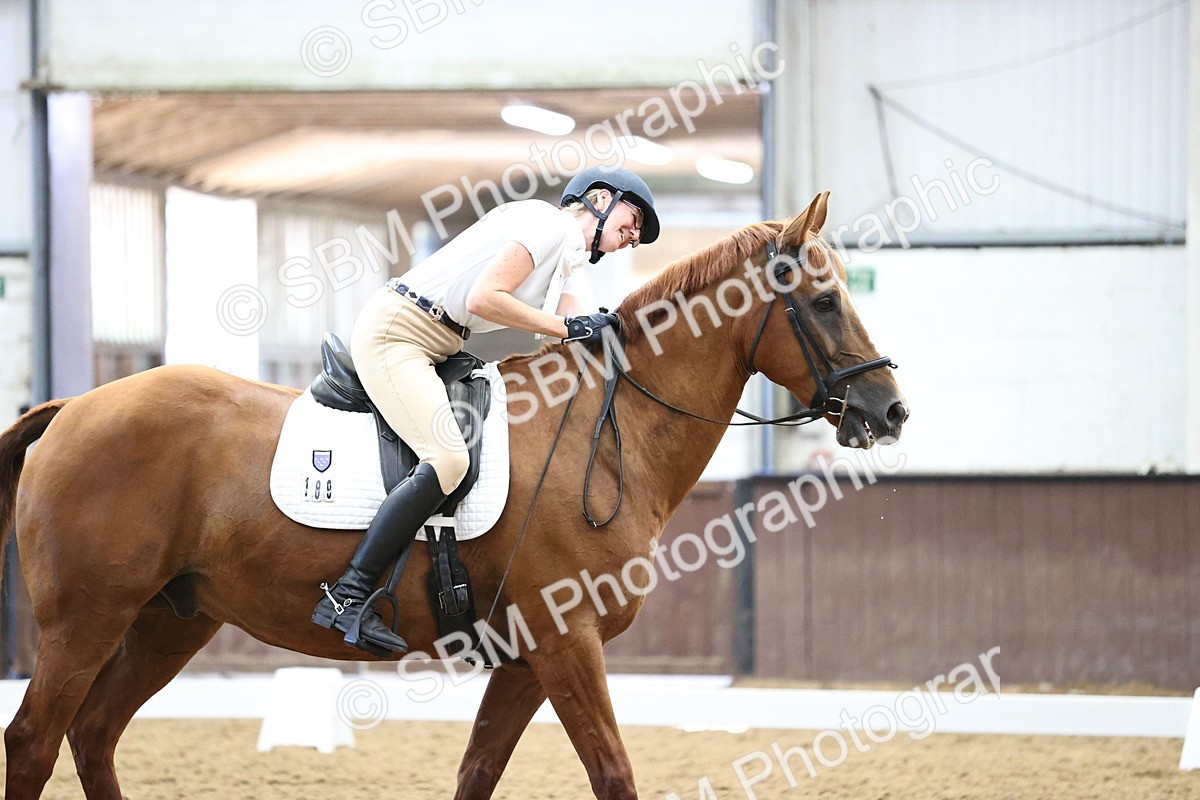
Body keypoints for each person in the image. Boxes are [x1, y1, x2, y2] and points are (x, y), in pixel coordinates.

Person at [311, 166, 661, 656]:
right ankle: (347, 594)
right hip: (401, 333)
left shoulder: (568, 257)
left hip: (444, 343)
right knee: (449, 460)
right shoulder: (547, 226)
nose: (633, 236)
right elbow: (486, 298)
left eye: (638, 235)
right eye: (632, 219)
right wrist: (572, 328)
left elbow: (580, 326)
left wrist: (615, 334)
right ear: (600, 199)